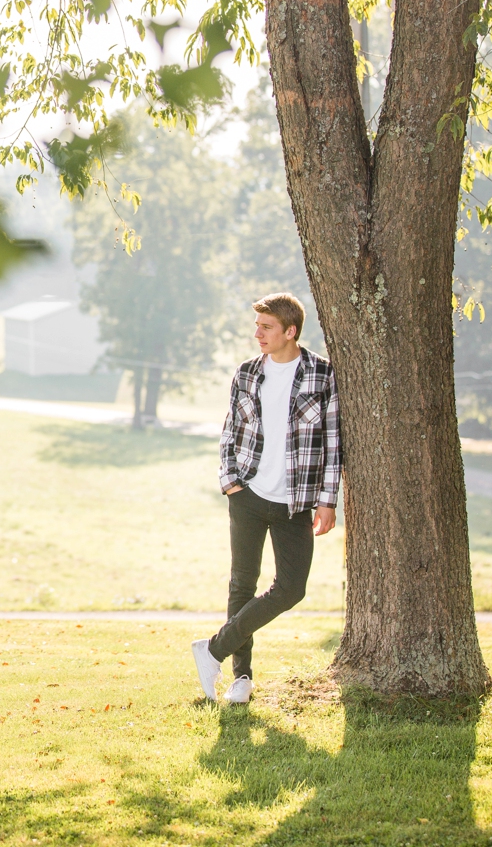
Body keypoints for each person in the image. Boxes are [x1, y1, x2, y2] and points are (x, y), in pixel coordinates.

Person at [192, 292, 339, 704]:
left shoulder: (321, 375)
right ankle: (241, 678)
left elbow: (332, 441)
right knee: (243, 582)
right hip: (248, 495)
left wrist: (327, 501)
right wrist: (230, 481)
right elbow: (230, 432)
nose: (257, 334)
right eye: (257, 326)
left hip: (295, 502)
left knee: (291, 588)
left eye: (266, 327)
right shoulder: (246, 374)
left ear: (290, 332)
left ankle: (212, 650)